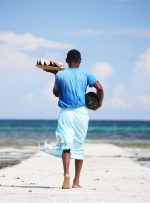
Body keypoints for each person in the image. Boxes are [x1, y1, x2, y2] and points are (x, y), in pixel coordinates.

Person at [48, 49, 103, 189]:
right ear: (80, 61)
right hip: (81, 113)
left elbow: (56, 93)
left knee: (66, 145)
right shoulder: (86, 74)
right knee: (78, 145)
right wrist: (99, 104)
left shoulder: (60, 74)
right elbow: (100, 88)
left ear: (66, 60)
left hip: (66, 113)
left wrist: (56, 75)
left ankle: (66, 173)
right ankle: (76, 181)